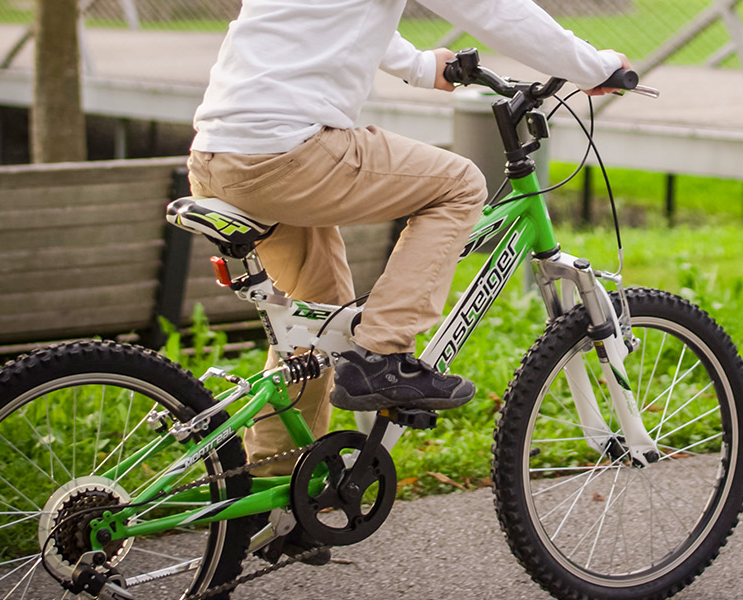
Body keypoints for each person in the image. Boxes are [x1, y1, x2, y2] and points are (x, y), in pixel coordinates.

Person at [186, 0, 631, 477]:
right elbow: (493, 9)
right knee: (459, 183)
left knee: (317, 315)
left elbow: (332, 20)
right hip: (286, 154)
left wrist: (420, 66)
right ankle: (383, 355)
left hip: (219, 153)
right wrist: (594, 64)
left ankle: (275, 492)